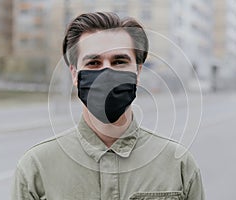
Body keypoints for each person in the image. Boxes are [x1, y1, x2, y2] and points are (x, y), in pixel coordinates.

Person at [12, 12, 205, 200]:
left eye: (119, 61)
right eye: (94, 62)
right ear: (74, 74)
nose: (106, 72)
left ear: (138, 72)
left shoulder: (178, 165)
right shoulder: (36, 168)